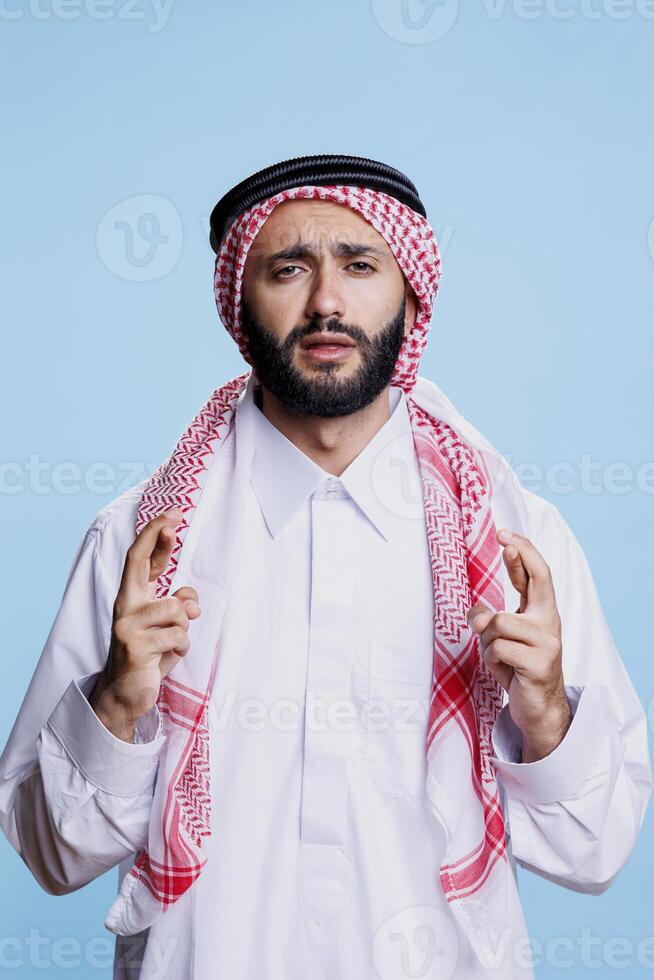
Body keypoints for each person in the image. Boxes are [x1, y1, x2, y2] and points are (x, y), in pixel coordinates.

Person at [0, 154, 651, 980]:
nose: (327, 302)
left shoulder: (516, 542)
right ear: (241, 305)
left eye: (360, 264)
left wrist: (549, 712)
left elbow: (595, 852)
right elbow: (52, 856)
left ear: (411, 296)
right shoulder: (143, 543)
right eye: (289, 269)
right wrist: (117, 702)